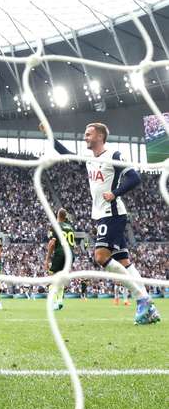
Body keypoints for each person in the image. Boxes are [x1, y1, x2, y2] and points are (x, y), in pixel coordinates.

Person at [44, 122, 159, 325]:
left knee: (100, 256)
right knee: (124, 262)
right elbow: (68, 155)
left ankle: (142, 300)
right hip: (101, 215)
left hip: (112, 213)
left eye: (88, 134)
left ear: (100, 136)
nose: (85, 137)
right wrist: (50, 136)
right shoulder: (89, 159)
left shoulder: (114, 155)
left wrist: (114, 193)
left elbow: (134, 177)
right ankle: (148, 306)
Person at [44, 208, 75, 311]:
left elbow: (52, 243)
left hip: (60, 253)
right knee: (60, 278)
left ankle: (54, 302)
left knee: (52, 278)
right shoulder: (70, 227)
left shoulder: (55, 226)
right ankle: (59, 301)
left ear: (57, 215)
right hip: (70, 255)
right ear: (65, 216)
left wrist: (47, 259)